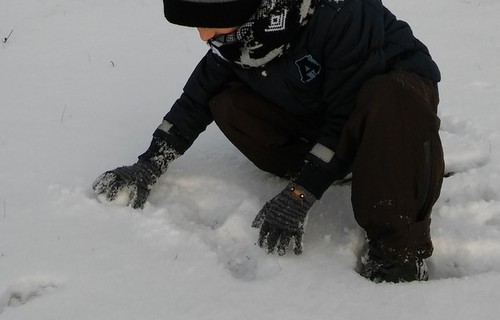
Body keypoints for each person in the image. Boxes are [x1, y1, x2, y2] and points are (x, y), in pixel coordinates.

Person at [93, 0, 444, 283]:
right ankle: (329, 168)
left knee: (392, 98)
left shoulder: (341, 14)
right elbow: (197, 98)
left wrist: (302, 192)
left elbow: (345, 113)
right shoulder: (243, 33)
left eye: (210, 21)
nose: (203, 36)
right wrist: (149, 163)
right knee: (227, 102)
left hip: (387, 114)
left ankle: (400, 256)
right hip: (317, 107)